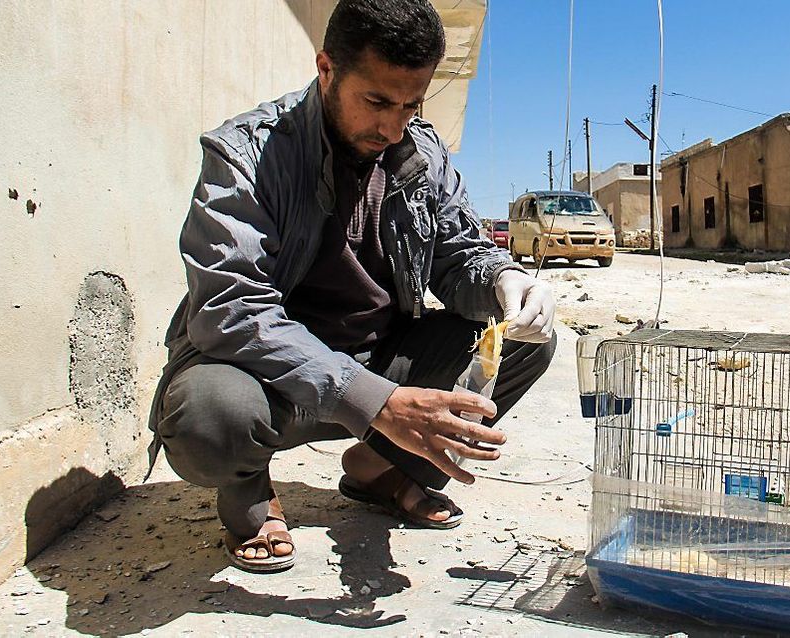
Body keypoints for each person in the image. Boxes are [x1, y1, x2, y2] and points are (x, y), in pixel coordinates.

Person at [145, 0, 556, 572]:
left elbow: (459, 252)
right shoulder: (247, 153)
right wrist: (377, 402)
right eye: (377, 101)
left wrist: (503, 280)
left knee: (526, 343)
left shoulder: (422, 152)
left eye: (411, 105)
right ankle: (248, 494)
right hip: (270, 381)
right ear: (326, 69)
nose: (392, 127)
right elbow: (230, 309)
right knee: (208, 416)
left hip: (381, 357)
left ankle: (384, 469)